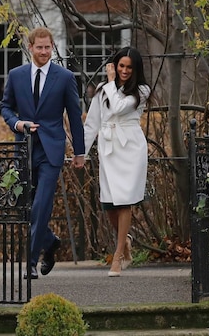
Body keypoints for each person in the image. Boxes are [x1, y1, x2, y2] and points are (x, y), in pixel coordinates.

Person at [0, 27, 85, 280]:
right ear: (30, 47)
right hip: (24, 148)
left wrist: (79, 152)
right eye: (39, 47)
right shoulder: (16, 75)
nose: (44, 52)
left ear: (52, 47)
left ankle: (31, 263)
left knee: (41, 205)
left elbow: (74, 116)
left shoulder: (65, 77)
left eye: (48, 47)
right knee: (26, 207)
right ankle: (50, 242)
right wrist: (18, 124)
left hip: (51, 151)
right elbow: (5, 107)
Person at [83, 47, 151, 277]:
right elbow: (93, 122)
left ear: (135, 69)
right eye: (121, 66)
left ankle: (118, 255)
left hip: (130, 147)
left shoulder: (141, 90)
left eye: (129, 67)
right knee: (109, 203)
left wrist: (111, 82)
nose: (124, 71)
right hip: (109, 148)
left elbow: (120, 108)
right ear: (115, 65)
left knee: (125, 201)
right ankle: (127, 241)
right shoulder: (103, 90)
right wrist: (80, 152)